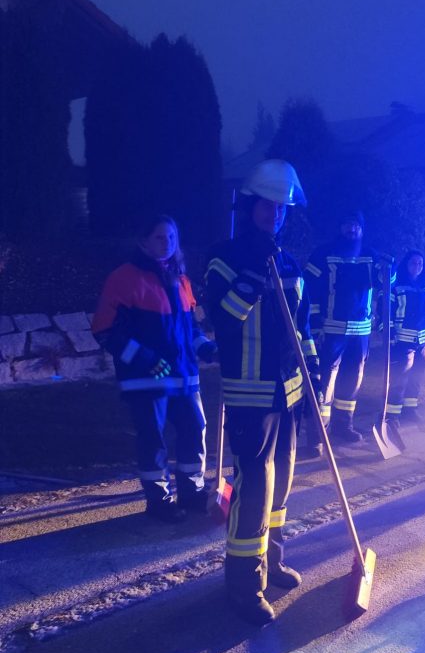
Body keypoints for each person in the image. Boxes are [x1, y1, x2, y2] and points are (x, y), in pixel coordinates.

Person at [205, 159, 317, 626]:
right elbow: (222, 321)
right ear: (251, 206)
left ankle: (272, 560)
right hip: (249, 392)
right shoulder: (225, 259)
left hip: (287, 391)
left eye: (282, 208)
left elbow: (301, 325)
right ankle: (244, 584)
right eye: (268, 206)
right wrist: (250, 280)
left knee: (282, 482)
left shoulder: (289, 263)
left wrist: (311, 368)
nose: (275, 214)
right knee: (254, 487)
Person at [92, 214, 216, 522]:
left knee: (195, 429)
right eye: (160, 237)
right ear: (143, 241)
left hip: (184, 376)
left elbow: (191, 327)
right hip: (145, 378)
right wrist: (145, 359)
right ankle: (159, 502)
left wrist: (205, 347)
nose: (167, 243)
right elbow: (105, 330)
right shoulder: (124, 279)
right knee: (153, 439)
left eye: (171, 237)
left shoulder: (181, 280)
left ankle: (192, 492)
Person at [301, 209, 390, 454]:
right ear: (340, 228)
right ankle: (318, 434)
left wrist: (389, 271)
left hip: (360, 332)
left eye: (356, 226)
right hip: (331, 329)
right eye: (348, 225)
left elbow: (384, 285)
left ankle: (343, 425)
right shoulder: (323, 254)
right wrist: (314, 323)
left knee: (353, 378)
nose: (352, 229)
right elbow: (308, 289)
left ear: (362, 229)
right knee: (324, 381)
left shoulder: (370, 256)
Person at [384, 249, 425, 426]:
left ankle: (410, 410)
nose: (417, 266)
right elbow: (386, 311)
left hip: (424, 342)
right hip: (403, 340)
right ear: (406, 264)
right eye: (413, 263)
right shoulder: (396, 287)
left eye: (420, 263)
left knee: (416, 378)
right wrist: (389, 333)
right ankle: (392, 415)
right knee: (399, 378)